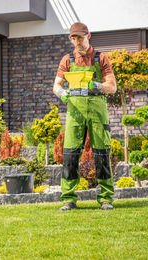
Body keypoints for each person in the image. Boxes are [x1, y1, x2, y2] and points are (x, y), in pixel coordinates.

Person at [53, 22, 117, 211]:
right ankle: (68, 199)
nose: (76, 41)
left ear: (88, 36)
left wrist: (96, 86)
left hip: (97, 110)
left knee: (102, 154)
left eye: (79, 37)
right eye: (73, 38)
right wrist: (62, 93)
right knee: (70, 155)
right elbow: (56, 85)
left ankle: (106, 198)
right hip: (75, 111)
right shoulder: (67, 60)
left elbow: (112, 87)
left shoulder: (101, 59)